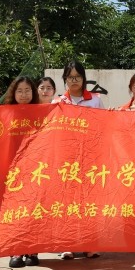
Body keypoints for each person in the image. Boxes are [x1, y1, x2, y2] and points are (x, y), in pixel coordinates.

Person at [53, 60, 104, 259]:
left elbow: (103, 126)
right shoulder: (58, 102)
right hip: (66, 160)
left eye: (78, 77)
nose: (74, 80)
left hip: (89, 158)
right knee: (66, 201)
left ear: (83, 78)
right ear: (65, 79)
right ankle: (67, 244)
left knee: (88, 201)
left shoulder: (95, 100)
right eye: (70, 77)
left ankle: (90, 243)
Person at [3, 76, 41, 267]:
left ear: (33, 92)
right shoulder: (5, 113)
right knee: (15, 210)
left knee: (34, 210)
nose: (24, 94)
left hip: (36, 169)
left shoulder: (42, 113)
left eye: (27, 90)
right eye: (19, 91)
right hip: (13, 171)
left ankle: (32, 250)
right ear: (13, 93)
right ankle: (16, 250)